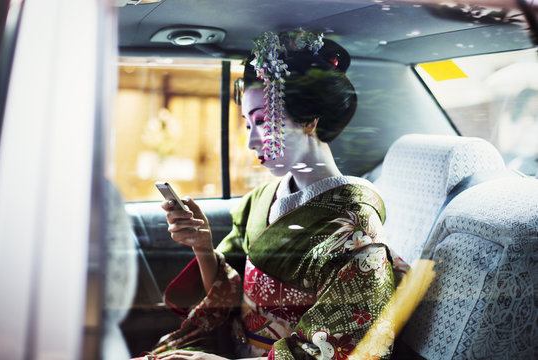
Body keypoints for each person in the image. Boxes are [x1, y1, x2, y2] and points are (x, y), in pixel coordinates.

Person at [141, 29, 407, 360]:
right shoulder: (261, 199)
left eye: (264, 122)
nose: (251, 141)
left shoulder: (355, 226)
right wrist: (203, 246)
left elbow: (340, 349)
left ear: (310, 120)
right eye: (247, 125)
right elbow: (229, 300)